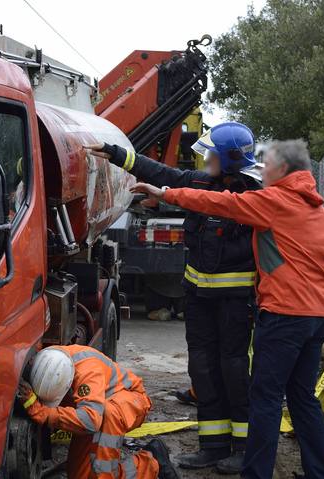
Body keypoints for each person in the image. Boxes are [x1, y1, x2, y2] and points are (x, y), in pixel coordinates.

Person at [130, 139, 324, 479]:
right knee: (303, 399)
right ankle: (318, 474)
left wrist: (165, 194)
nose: (262, 169)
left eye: (269, 164)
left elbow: (219, 202)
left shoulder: (273, 201)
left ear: (285, 170)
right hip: (316, 319)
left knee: (265, 399)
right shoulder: (320, 213)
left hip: (282, 316)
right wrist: (319, 293)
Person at [86, 122, 261, 473]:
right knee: (202, 369)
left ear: (229, 159)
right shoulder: (201, 182)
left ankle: (244, 448)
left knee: (234, 371)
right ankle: (212, 446)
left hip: (235, 304)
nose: (206, 160)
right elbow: (161, 172)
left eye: (213, 155)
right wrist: (117, 154)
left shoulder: (253, 195)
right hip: (199, 300)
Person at [18, 345, 179, 479]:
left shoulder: (88, 372)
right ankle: (149, 460)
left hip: (131, 401)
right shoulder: (49, 361)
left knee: (102, 468)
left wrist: (44, 413)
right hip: (96, 412)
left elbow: (90, 420)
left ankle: (150, 464)